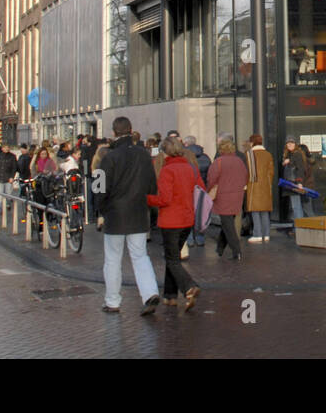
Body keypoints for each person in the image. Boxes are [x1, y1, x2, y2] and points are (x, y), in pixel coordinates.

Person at [95, 116, 160, 316]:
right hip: (138, 213)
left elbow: (99, 189)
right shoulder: (143, 155)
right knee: (140, 256)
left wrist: (102, 210)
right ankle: (149, 293)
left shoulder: (109, 157)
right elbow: (152, 185)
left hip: (115, 214)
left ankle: (113, 301)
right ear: (131, 130)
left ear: (114, 133)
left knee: (113, 259)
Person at [146, 136, 202, 310]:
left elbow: (164, 199)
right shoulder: (190, 168)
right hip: (187, 219)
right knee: (174, 255)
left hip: (171, 220)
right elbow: (200, 189)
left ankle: (189, 286)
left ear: (164, 152)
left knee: (171, 259)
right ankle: (170, 296)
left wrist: (146, 199)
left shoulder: (167, 170)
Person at [207, 136, 248, 260]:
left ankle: (237, 251)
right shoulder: (239, 161)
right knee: (228, 222)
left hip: (223, 196)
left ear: (221, 149)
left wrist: (209, 190)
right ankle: (220, 248)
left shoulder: (218, 162)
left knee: (227, 224)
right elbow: (245, 176)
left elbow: (211, 179)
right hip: (237, 195)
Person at [244, 134, 275, 241]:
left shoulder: (249, 154)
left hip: (253, 185)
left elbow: (246, 172)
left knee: (255, 210)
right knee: (265, 211)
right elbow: (271, 172)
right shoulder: (268, 154)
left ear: (252, 143)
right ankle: (266, 234)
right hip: (266, 186)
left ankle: (257, 234)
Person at [281, 139, 312, 219]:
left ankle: (298, 228)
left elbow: (300, 169)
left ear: (295, 144)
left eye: (292, 143)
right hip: (291, 183)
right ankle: (297, 227)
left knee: (296, 207)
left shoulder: (297, 154)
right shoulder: (290, 154)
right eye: (288, 143)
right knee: (295, 206)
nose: (289, 144)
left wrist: (299, 182)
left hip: (294, 183)